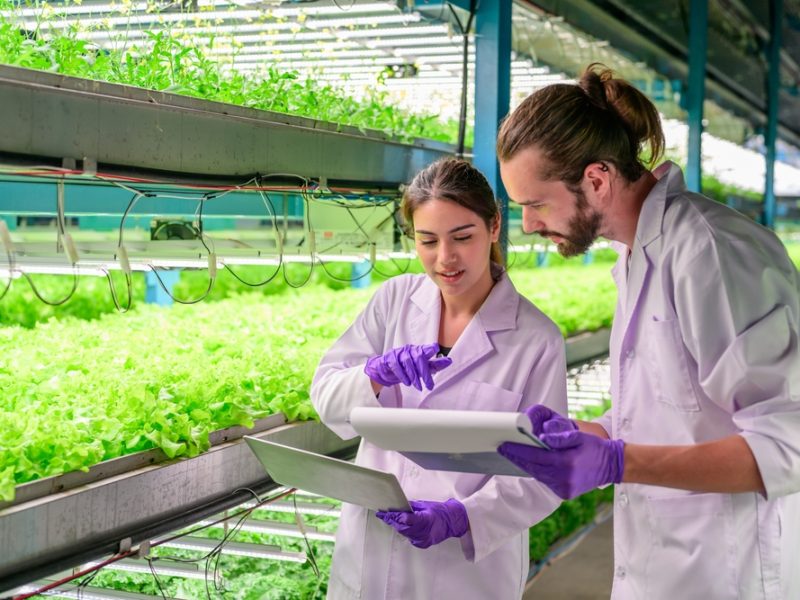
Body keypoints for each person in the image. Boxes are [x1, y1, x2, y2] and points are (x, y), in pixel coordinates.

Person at [495, 63, 800, 598]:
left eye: (536, 204)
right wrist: (592, 434)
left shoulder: (710, 252)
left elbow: (787, 442)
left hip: (733, 573)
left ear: (597, 179)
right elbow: (676, 410)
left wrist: (617, 461)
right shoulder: (637, 255)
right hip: (664, 566)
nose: (529, 225)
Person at [311, 157, 567, 599]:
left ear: (493, 227)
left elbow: (548, 471)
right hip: (371, 551)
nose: (444, 258)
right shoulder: (394, 300)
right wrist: (374, 375)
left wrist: (461, 517)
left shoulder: (535, 339)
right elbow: (327, 398)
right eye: (427, 240)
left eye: (461, 237)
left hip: (464, 573)